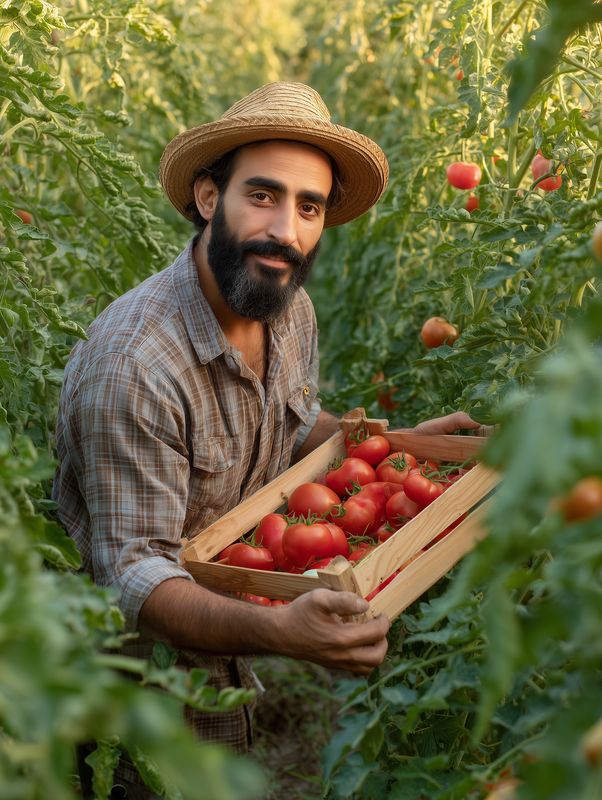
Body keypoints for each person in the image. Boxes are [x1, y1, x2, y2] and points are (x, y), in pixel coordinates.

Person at [53, 81, 481, 798]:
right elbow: (132, 577)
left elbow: (283, 431)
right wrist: (284, 634)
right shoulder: (135, 368)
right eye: (263, 194)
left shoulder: (286, 307)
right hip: (133, 689)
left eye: (308, 206)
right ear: (208, 197)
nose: (286, 228)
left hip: (221, 656)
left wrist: (390, 445)